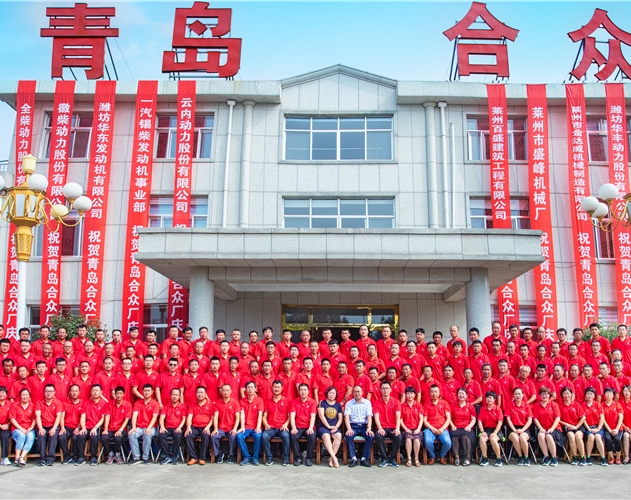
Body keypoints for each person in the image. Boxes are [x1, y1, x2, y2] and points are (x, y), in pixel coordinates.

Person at [128, 383, 160, 465]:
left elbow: (155, 417)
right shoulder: (138, 403)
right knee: (131, 434)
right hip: (139, 427)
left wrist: (149, 428)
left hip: (151, 427)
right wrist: (133, 427)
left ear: (152, 392)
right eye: (145, 391)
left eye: (148, 391)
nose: (146, 392)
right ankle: (136, 457)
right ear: (142, 392)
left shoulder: (155, 403)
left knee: (147, 434)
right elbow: (134, 415)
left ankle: (145, 457)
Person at [261, 380, 291, 466]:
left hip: (282, 427)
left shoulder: (286, 401)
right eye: (275, 387)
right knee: (264, 436)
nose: (276, 389)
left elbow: (290, 416)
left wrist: (285, 424)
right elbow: (264, 416)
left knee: (286, 436)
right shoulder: (267, 401)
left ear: (282, 388)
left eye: (278, 387)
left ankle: (286, 458)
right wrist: (266, 424)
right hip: (271, 427)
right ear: (272, 388)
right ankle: (269, 457)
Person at [373, 381, 402, 467]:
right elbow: (376, 417)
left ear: (390, 390)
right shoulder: (376, 402)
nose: (385, 390)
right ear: (380, 390)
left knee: (398, 436)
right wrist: (380, 428)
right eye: (383, 388)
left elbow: (398, 416)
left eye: (387, 388)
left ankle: (392, 458)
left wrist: (397, 428)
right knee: (378, 435)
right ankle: (384, 458)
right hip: (382, 427)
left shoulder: (396, 402)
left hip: (393, 427)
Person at [343, 386, 374, 468]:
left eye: (358, 391)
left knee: (370, 436)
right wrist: (349, 429)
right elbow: (346, 417)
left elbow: (369, 416)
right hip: (353, 426)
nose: (357, 393)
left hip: (364, 426)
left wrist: (369, 428)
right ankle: (353, 458)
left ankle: (364, 458)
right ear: (353, 393)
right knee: (348, 435)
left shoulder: (367, 403)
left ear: (362, 392)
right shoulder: (349, 403)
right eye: (355, 392)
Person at [101, 386, 132, 465]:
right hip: (110, 428)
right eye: (117, 393)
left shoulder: (127, 405)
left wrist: (120, 430)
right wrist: (105, 429)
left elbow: (127, 419)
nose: (119, 395)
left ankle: (118, 454)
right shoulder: (109, 404)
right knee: (104, 437)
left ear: (123, 394)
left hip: (121, 429)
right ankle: (110, 454)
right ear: (114, 394)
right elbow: (107, 417)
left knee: (118, 438)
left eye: (120, 393)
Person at [532, 386, 562, 467]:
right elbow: (535, 419)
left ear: (549, 395)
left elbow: (557, 418)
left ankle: (554, 457)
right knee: (540, 435)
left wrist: (551, 429)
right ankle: (546, 457)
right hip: (543, 428)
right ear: (540, 395)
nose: (544, 396)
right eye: (542, 394)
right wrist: (541, 428)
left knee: (549, 436)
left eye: (546, 394)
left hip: (554, 428)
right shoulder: (536, 406)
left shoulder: (554, 405)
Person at [236, 381, 264, 466]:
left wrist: (258, 426)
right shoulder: (242, 401)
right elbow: (242, 414)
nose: (250, 389)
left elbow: (260, 414)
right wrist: (242, 426)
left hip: (256, 427)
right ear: (245, 389)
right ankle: (246, 457)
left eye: (252, 387)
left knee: (258, 436)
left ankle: (255, 458)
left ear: (255, 389)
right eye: (248, 387)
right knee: (239, 436)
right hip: (246, 427)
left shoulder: (259, 400)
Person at [34, 384, 63, 466]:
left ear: (54, 392)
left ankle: (50, 459)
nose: (49, 393)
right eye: (47, 391)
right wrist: (40, 428)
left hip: (53, 426)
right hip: (42, 426)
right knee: (41, 436)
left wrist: (54, 428)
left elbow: (58, 417)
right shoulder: (39, 403)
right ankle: (42, 459)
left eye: (51, 391)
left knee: (53, 436)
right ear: (44, 392)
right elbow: (38, 416)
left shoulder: (58, 403)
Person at [211, 384, 241, 463]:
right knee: (214, 436)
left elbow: (238, 417)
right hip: (221, 428)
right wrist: (215, 429)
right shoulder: (217, 403)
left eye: (227, 390)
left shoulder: (235, 403)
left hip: (231, 427)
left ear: (231, 391)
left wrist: (234, 428)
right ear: (221, 391)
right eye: (224, 390)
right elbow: (215, 417)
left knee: (233, 436)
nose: (225, 392)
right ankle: (218, 454)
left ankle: (231, 455)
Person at [185, 386, 214, 466]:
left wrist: (208, 427)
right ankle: (193, 457)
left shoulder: (210, 404)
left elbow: (213, 418)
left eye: (201, 392)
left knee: (206, 435)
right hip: (195, 426)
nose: (200, 394)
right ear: (196, 394)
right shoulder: (192, 404)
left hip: (206, 426)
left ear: (205, 394)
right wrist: (188, 427)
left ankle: (202, 458)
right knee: (188, 435)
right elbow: (189, 417)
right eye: (198, 392)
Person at [289, 383, 317, 466]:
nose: (303, 392)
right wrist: (293, 427)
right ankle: (298, 457)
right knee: (293, 436)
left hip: (309, 426)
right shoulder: (294, 402)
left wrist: (311, 427)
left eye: (305, 390)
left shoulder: (312, 402)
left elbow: (313, 416)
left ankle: (309, 458)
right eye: (301, 390)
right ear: (298, 391)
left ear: (308, 391)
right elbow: (292, 416)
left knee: (312, 437)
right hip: (298, 426)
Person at [423, 384, 452, 464]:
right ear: (429, 393)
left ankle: (442, 456)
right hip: (430, 429)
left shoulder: (444, 403)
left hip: (442, 428)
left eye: (436, 392)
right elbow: (424, 421)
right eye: (432, 392)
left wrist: (443, 428)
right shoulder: (426, 404)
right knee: (427, 441)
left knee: (448, 442)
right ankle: (432, 456)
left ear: (439, 393)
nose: (434, 394)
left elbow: (448, 418)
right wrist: (432, 429)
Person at [81, 384, 109, 466]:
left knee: (93, 436)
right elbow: (83, 417)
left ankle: (93, 457)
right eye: (93, 390)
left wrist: (95, 428)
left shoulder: (104, 403)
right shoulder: (86, 403)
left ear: (101, 392)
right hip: (87, 426)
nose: (95, 392)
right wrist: (83, 428)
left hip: (98, 428)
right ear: (90, 392)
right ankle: (81, 457)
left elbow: (103, 418)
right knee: (80, 436)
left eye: (97, 390)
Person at [158, 387, 187, 465]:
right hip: (167, 427)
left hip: (177, 428)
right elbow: (162, 418)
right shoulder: (166, 407)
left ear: (179, 396)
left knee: (178, 436)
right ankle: (167, 456)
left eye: (176, 395)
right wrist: (162, 426)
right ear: (170, 396)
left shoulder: (183, 407)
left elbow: (184, 419)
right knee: (160, 436)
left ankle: (174, 456)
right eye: (173, 395)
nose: (175, 396)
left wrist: (180, 427)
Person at [558, 386, 586, 466]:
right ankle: (575, 457)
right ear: (562, 395)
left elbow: (583, 417)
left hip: (578, 426)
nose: (566, 395)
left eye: (568, 393)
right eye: (564, 393)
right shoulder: (560, 406)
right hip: (567, 427)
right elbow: (558, 419)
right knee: (571, 436)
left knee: (578, 436)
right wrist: (567, 424)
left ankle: (582, 457)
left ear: (571, 394)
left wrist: (576, 426)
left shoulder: (576, 404)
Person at [506, 386, 533, 466]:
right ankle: (520, 456)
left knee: (522, 437)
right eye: (516, 394)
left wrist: (523, 430)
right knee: (515, 438)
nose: (517, 396)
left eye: (519, 394)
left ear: (523, 395)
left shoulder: (526, 405)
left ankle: (526, 457)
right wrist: (514, 430)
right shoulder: (509, 405)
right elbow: (508, 419)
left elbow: (530, 420)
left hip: (524, 428)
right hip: (512, 428)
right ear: (513, 395)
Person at [317, 386, 343, 468]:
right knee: (326, 436)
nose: (331, 395)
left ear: (336, 395)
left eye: (333, 393)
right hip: (323, 426)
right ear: (327, 394)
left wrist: (336, 427)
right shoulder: (322, 402)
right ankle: (334, 458)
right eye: (330, 393)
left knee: (338, 436)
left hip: (334, 427)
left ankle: (331, 458)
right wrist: (328, 426)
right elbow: (321, 416)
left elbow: (340, 418)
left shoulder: (338, 405)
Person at [449, 387, 476, 467]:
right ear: (457, 395)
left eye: (463, 394)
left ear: (466, 395)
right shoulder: (453, 406)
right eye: (459, 394)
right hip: (456, 427)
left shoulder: (470, 406)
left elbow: (473, 419)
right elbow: (449, 418)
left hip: (467, 427)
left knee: (465, 437)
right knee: (454, 436)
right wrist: (452, 425)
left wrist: (469, 426)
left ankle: (468, 458)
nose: (461, 395)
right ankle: (457, 457)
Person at [58, 384, 85, 464]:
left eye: (76, 391)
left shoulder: (83, 403)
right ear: (69, 392)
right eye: (72, 391)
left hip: (77, 427)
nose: (74, 393)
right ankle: (67, 456)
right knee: (61, 437)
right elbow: (62, 417)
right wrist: (62, 428)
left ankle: (77, 456)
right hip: (67, 427)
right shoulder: (65, 403)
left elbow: (83, 417)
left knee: (76, 437)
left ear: (79, 392)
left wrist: (78, 427)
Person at [9, 388, 35, 467]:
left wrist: (31, 427)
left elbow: (34, 418)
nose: (25, 396)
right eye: (23, 395)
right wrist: (21, 429)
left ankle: (21, 457)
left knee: (31, 436)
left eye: (26, 395)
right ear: (20, 396)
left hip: (29, 428)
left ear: (29, 396)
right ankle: (17, 457)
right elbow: (12, 419)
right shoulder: (15, 405)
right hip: (17, 428)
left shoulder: (32, 405)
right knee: (21, 435)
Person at [477, 391, 504, 467]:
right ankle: (485, 458)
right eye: (487, 398)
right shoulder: (482, 409)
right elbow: (479, 421)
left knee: (493, 439)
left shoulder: (498, 409)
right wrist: (482, 431)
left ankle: (498, 458)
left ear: (494, 399)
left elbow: (500, 423)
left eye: (490, 398)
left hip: (497, 431)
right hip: (486, 430)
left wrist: (494, 433)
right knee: (482, 438)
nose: (489, 399)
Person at [400, 386, 423, 467]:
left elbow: (421, 419)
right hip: (407, 429)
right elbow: (400, 420)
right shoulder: (402, 405)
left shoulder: (418, 405)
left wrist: (418, 429)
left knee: (416, 439)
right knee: (408, 439)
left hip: (416, 428)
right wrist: (406, 429)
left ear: (414, 395)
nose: (410, 396)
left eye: (412, 394)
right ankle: (409, 459)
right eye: (408, 394)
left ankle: (416, 459)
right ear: (405, 395)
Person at [583, 386, 606, 466]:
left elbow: (602, 417)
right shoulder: (583, 405)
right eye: (588, 394)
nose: (589, 396)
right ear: (585, 395)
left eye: (591, 394)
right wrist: (589, 429)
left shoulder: (598, 404)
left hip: (598, 427)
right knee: (591, 437)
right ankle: (588, 457)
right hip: (588, 427)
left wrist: (598, 428)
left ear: (594, 396)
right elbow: (583, 419)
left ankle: (603, 458)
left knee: (598, 437)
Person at [602, 387, 623, 464]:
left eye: (610, 393)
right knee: (607, 439)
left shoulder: (617, 404)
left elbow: (621, 417)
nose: (608, 395)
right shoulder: (602, 405)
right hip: (607, 428)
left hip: (618, 428)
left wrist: (617, 429)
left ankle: (618, 457)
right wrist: (609, 430)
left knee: (617, 439)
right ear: (604, 395)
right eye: (607, 393)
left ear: (613, 395)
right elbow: (602, 419)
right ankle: (611, 457)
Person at [0, 386, 11, 465]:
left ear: (6, 395)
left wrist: (8, 424)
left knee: (5, 436)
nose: (1, 394)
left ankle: (4, 458)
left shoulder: (10, 404)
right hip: (0, 425)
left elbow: (13, 417)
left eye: (3, 393)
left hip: (7, 426)